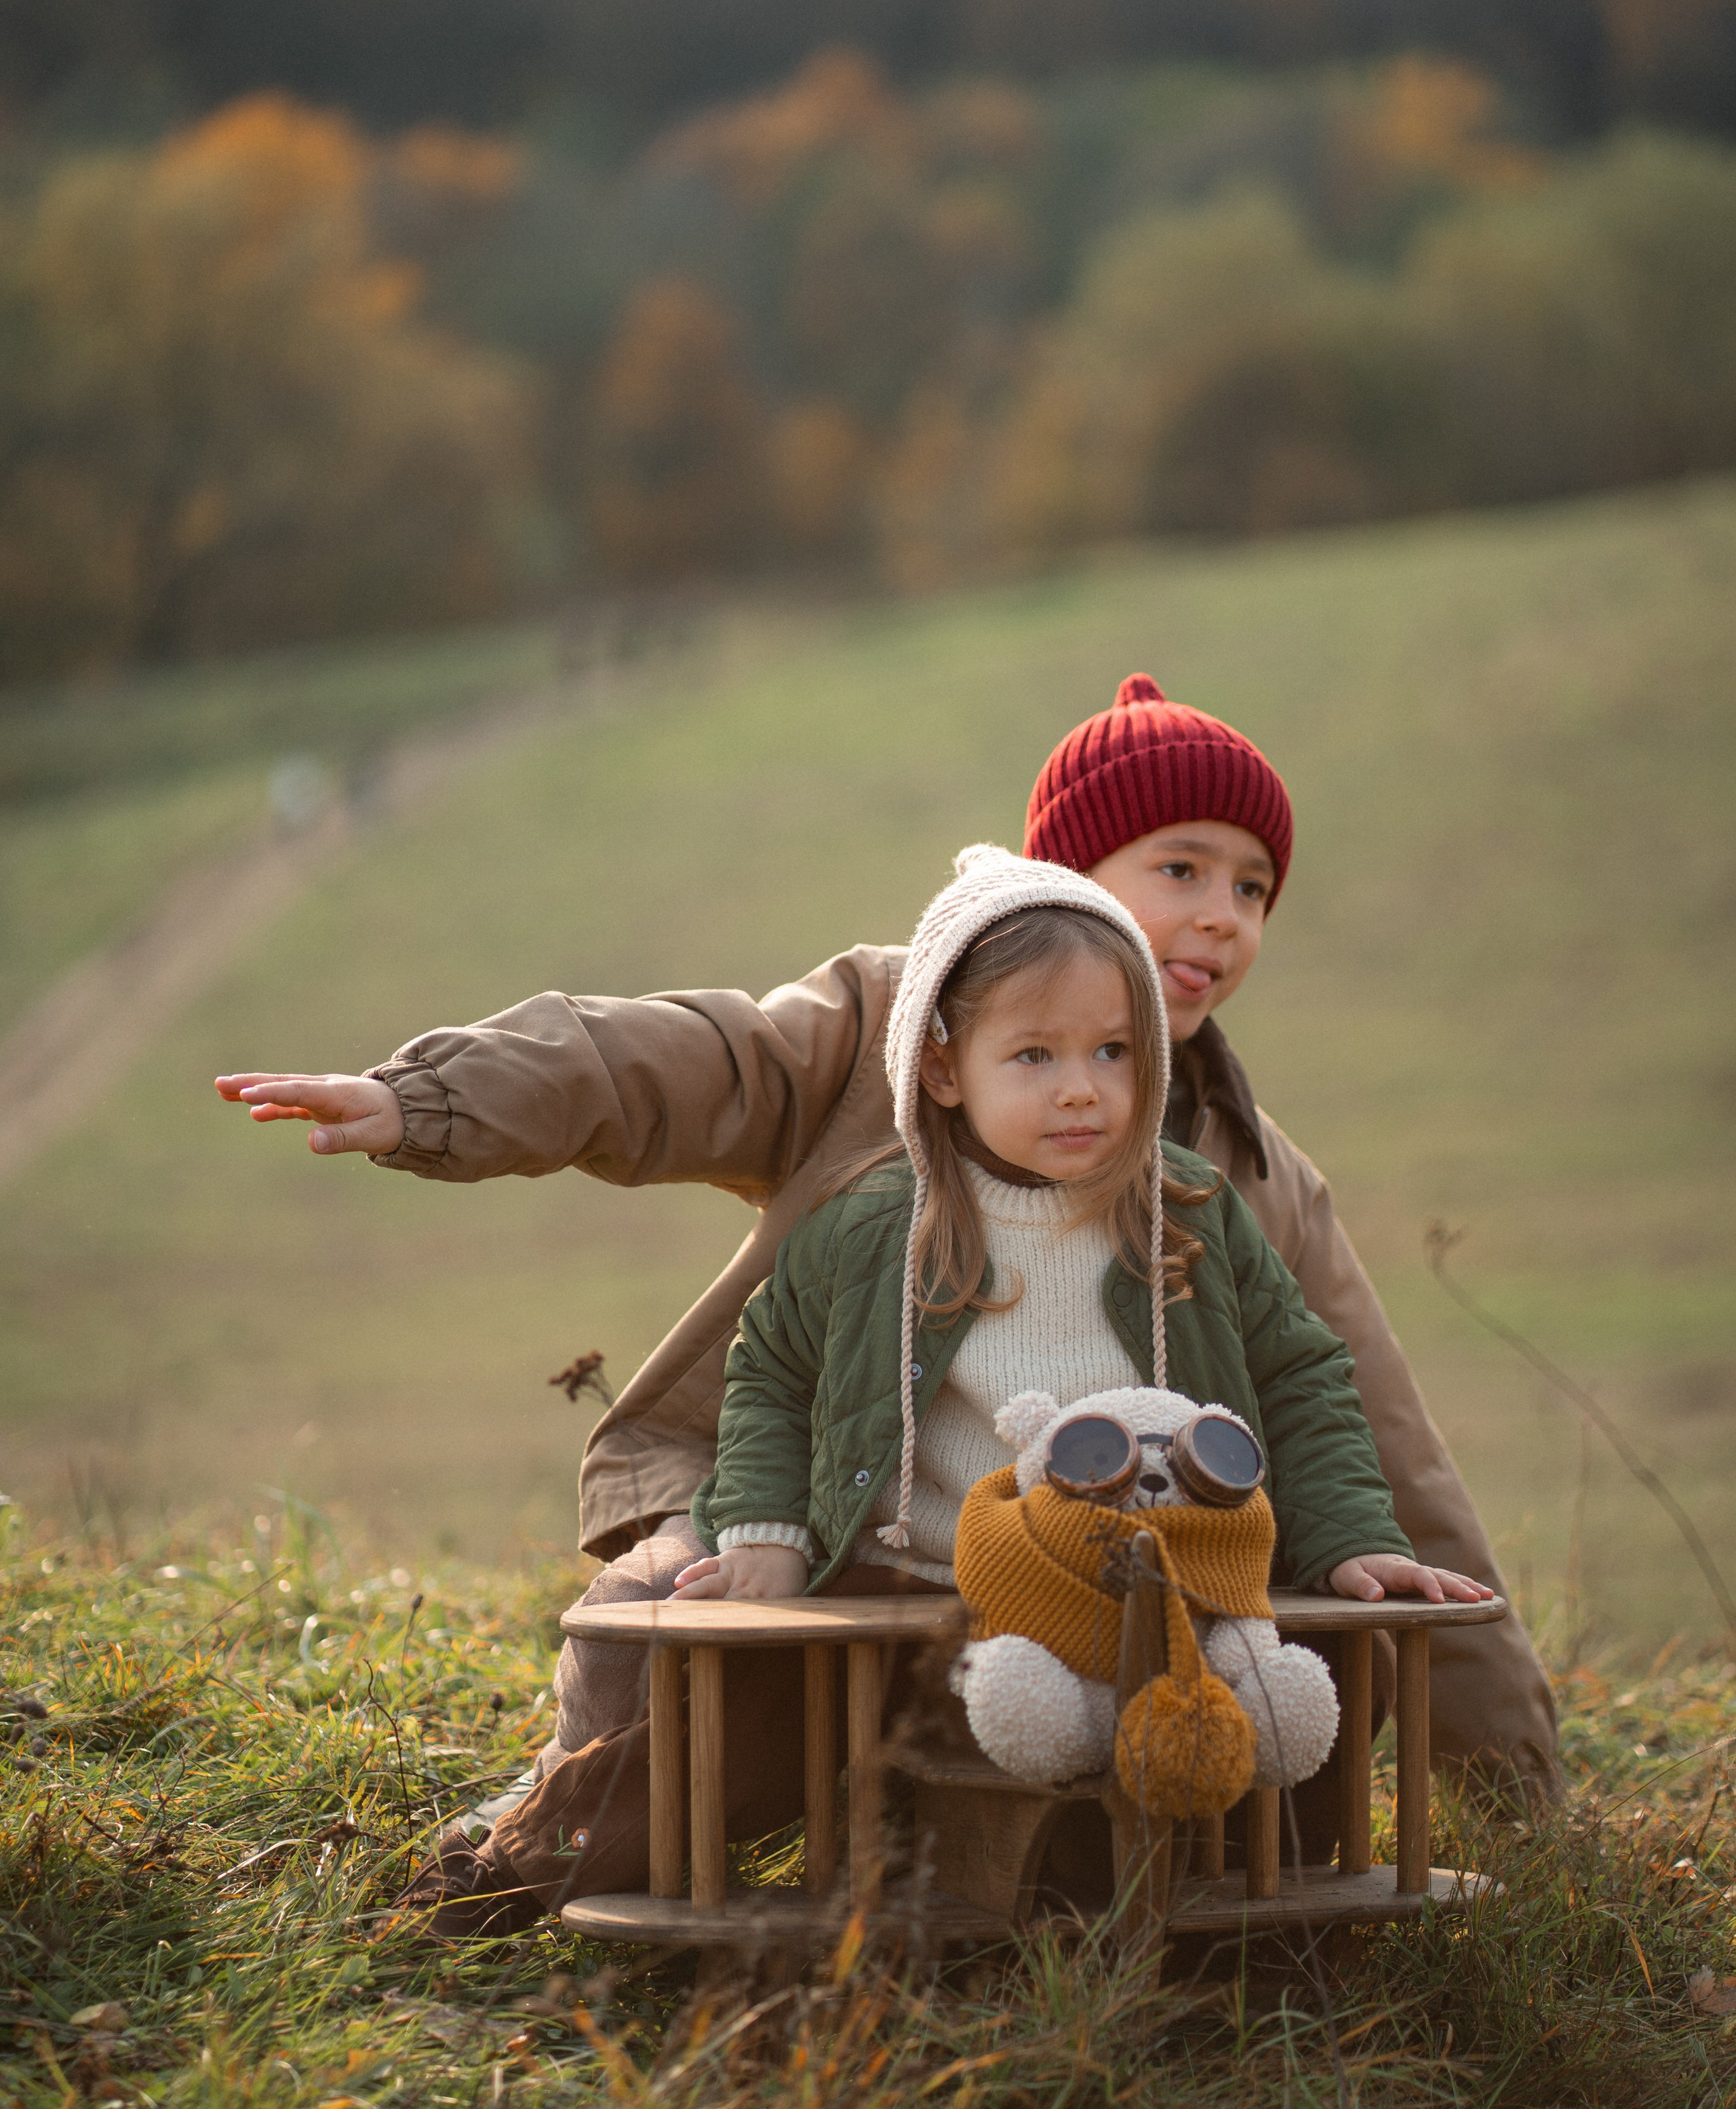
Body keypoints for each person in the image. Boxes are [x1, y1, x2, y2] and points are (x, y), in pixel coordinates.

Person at [216, 673, 1558, 1882]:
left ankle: (1093, 1914)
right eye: (1181, 868)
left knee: (1270, 1659)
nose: (1219, 916)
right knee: (662, 1625)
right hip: (792, 1485)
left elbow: (1384, 1445)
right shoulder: (880, 1027)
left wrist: (1516, 1791)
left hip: (1093, 1563)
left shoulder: (1247, 1178)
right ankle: (543, 1844)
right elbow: (673, 1061)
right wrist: (431, 1102)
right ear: (1065, 878)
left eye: (1252, 887)